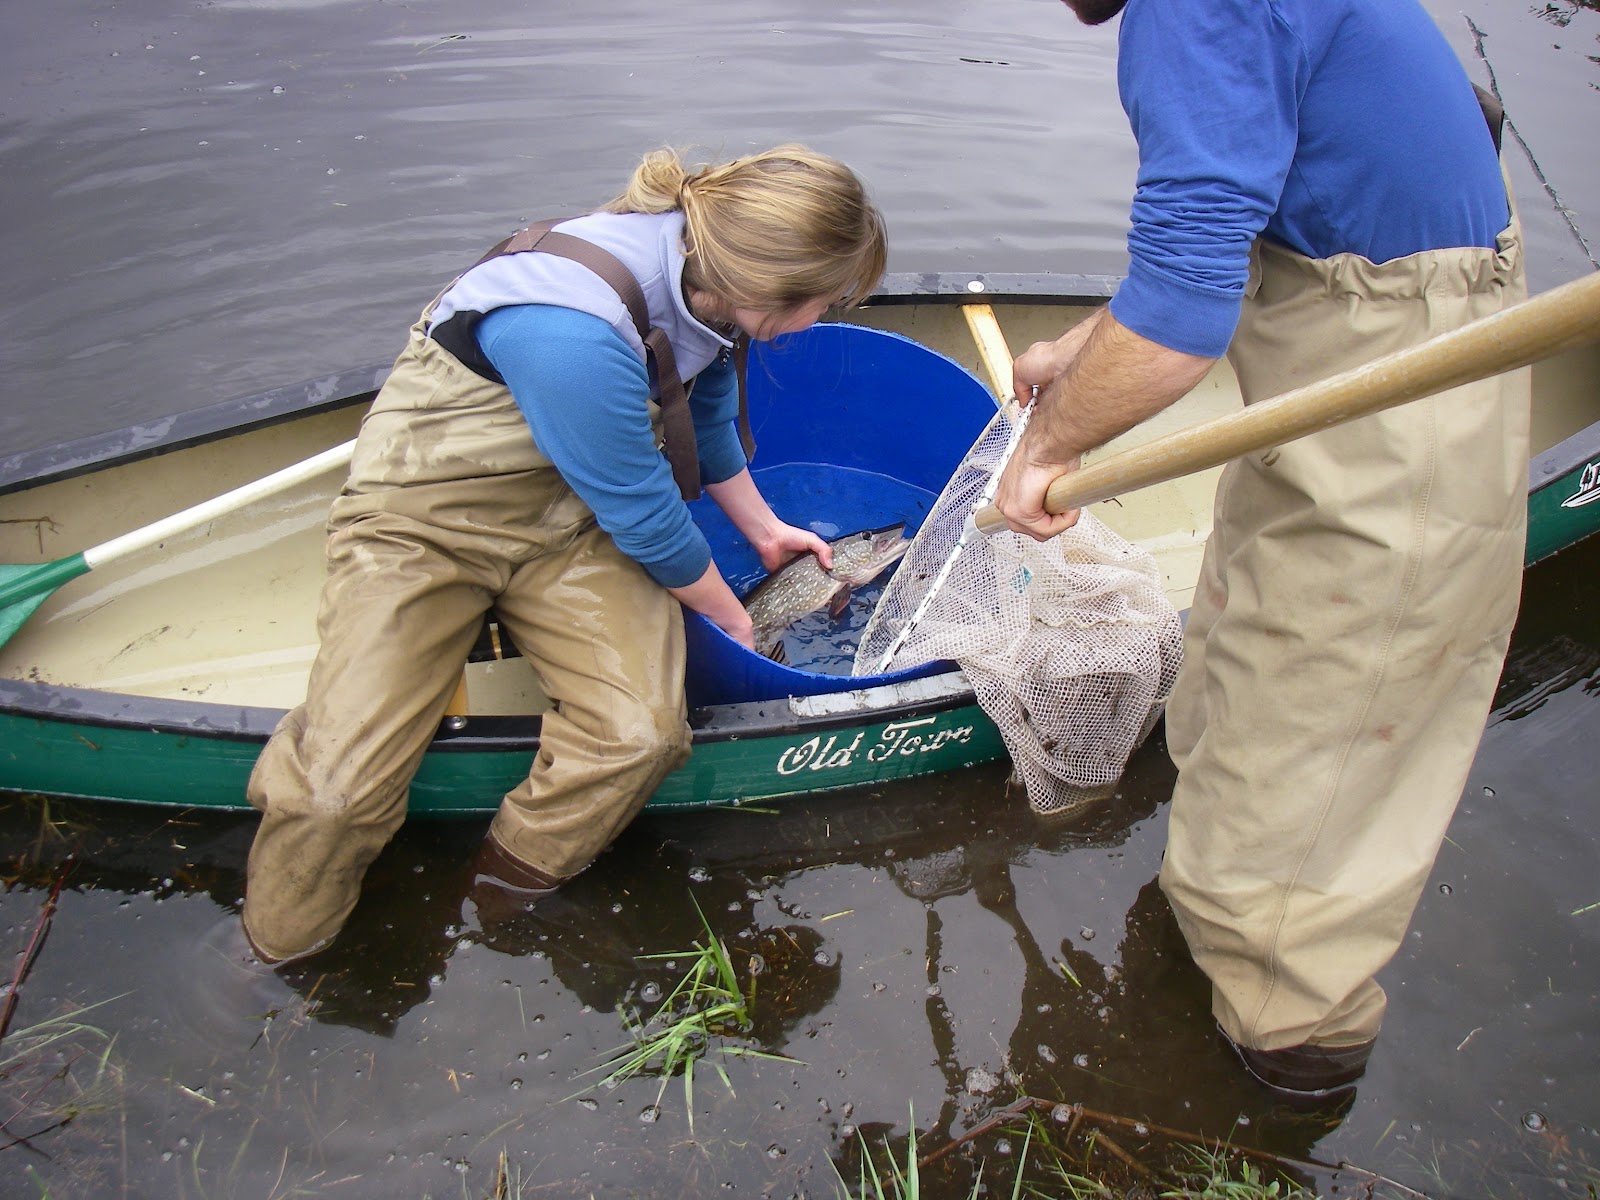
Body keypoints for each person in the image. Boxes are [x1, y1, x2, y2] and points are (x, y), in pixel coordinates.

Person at [994, 0, 1528, 1100]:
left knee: (1315, 737)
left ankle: (1292, 1067)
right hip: (1332, 358)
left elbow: (1185, 309)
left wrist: (1042, 451)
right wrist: (1083, 347)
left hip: (1400, 391)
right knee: (1234, 662)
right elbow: (1218, 242)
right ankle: (1201, 911)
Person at [236, 144, 887, 967]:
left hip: (575, 523)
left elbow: (706, 413)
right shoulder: (569, 328)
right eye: (825, 301)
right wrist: (732, 616)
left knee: (641, 736)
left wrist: (763, 532)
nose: (825, 317)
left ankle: (498, 899)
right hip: (427, 521)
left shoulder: (713, 293)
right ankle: (271, 952)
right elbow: (648, 518)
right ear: (763, 283)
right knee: (336, 791)